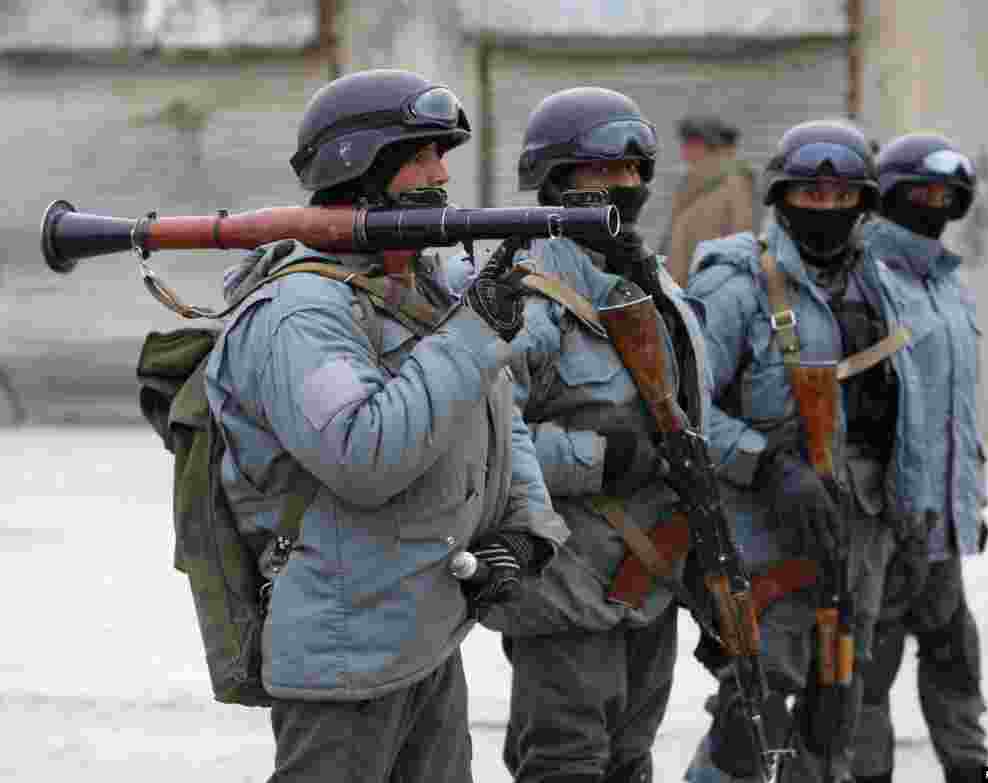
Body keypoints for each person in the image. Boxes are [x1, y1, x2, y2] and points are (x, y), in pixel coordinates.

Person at [204, 68, 569, 783]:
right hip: (346, 655)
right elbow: (365, 453)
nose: (440, 173)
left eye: (443, 155)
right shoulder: (299, 312)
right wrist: (473, 333)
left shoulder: (413, 286)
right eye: (420, 155)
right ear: (358, 165)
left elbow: (494, 408)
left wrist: (525, 530)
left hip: (425, 633)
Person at [467, 87, 709, 783]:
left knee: (631, 759)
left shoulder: (648, 280)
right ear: (557, 181)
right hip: (564, 586)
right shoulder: (527, 295)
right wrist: (602, 459)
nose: (626, 188)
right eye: (606, 173)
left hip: (650, 577)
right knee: (567, 761)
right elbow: (486, 441)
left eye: (636, 173)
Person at [682, 119, 907, 782]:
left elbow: (905, 416)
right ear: (783, 197)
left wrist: (915, 516)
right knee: (749, 727)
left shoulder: (879, 285)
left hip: (856, 546)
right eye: (812, 196)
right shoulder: (739, 283)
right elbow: (679, 407)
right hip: (764, 548)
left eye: (843, 199)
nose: (827, 211)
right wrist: (767, 462)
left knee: (831, 725)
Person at [850, 133, 988, 783]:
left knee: (957, 660)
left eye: (949, 195)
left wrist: (970, 500)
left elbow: (956, 409)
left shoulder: (949, 284)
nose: (937, 204)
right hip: (884, 524)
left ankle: (979, 774)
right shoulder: (867, 280)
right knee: (867, 678)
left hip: (946, 526)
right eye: (924, 192)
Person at [660, 115, 755, 288]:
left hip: (712, 288)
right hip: (682, 288)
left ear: (709, 145)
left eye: (691, 143)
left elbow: (741, 241)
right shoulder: (692, 181)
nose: (684, 151)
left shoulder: (735, 182)